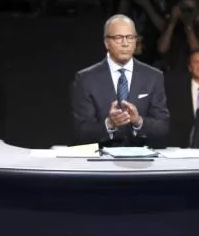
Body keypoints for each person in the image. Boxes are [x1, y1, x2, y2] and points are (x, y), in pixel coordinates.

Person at [70, 15, 170, 147]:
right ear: (106, 42)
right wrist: (110, 124)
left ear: (136, 41)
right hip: (101, 161)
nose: (125, 43)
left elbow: (163, 126)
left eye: (130, 37)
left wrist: (138, 122)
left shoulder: (153, 76)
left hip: (143, 160)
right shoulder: (86, 79)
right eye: (118, 37)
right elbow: (81, 131)